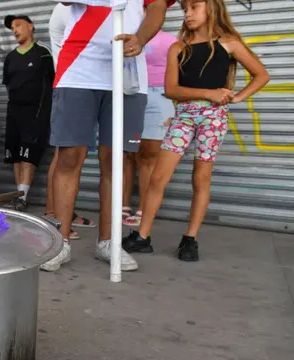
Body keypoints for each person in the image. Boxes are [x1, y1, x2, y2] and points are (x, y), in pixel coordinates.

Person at [122, 0, 269, 261]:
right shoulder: (177, 47)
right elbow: (171, 90)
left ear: (211, 8)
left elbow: (261, 75)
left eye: (194, 7)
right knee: (157, 178)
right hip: (184, 116)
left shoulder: (228, 42)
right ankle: (143, 237)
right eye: (185, 9)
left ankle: (190, 239)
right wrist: (208, 93)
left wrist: (236, 97)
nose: (188, 14)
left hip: (213, 119)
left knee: (200, 180)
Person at [41, 0, 173, 272]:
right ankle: (60, 242)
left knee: (117, 159)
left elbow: (158, 7)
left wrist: (140, 38)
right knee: (68, 156)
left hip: (127, 71)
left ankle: (108, 242)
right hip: (78, 68)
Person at [43, 2, 96, 240]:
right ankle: (53, 215)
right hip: (72, 83)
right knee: (65, 156)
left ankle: (64, 213)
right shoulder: (67, 9)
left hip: (88, 84)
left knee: (74, 156)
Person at [123, 27, 177, 227]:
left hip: (159, 96)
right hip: (130, 93)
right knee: (126, 152)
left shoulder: (169, 40)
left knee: (149, 155)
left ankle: (144, 208)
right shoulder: (126, 34)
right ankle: (123, 204)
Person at [2, 15, 54, 211]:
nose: (15, 30)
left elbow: (52, 82)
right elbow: (8, 84)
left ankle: (23, 195)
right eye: (12, 27)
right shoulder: (10, 57)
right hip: (14, 110)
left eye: (18, 25)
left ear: (30, 26)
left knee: (28, 154)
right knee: (15, 154)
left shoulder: (43, 53)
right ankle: (19, 196)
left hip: (36, 112)